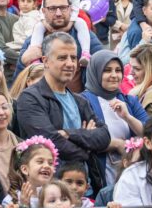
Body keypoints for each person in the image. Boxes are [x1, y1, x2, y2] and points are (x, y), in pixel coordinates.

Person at [16, 32, 114, 190]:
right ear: (45, 61)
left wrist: (70, 134)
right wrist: (88, 148)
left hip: (85, 191)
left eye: (73, 58)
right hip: (48, 194)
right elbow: (51, 142)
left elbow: (104, 136)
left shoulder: (80, 100)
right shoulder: (30, 98)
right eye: (62, 58)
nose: (70, 64)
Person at [83, 50, 146, 185]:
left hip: (131, 168)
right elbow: (85, 138)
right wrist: (117, 144)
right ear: (95, 72)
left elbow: (149, 133)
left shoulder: (130, 100)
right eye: (107, 70)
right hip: (99, 169)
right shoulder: (83, 101)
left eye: (118, 70)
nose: (114, 75)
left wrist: (128, 117)